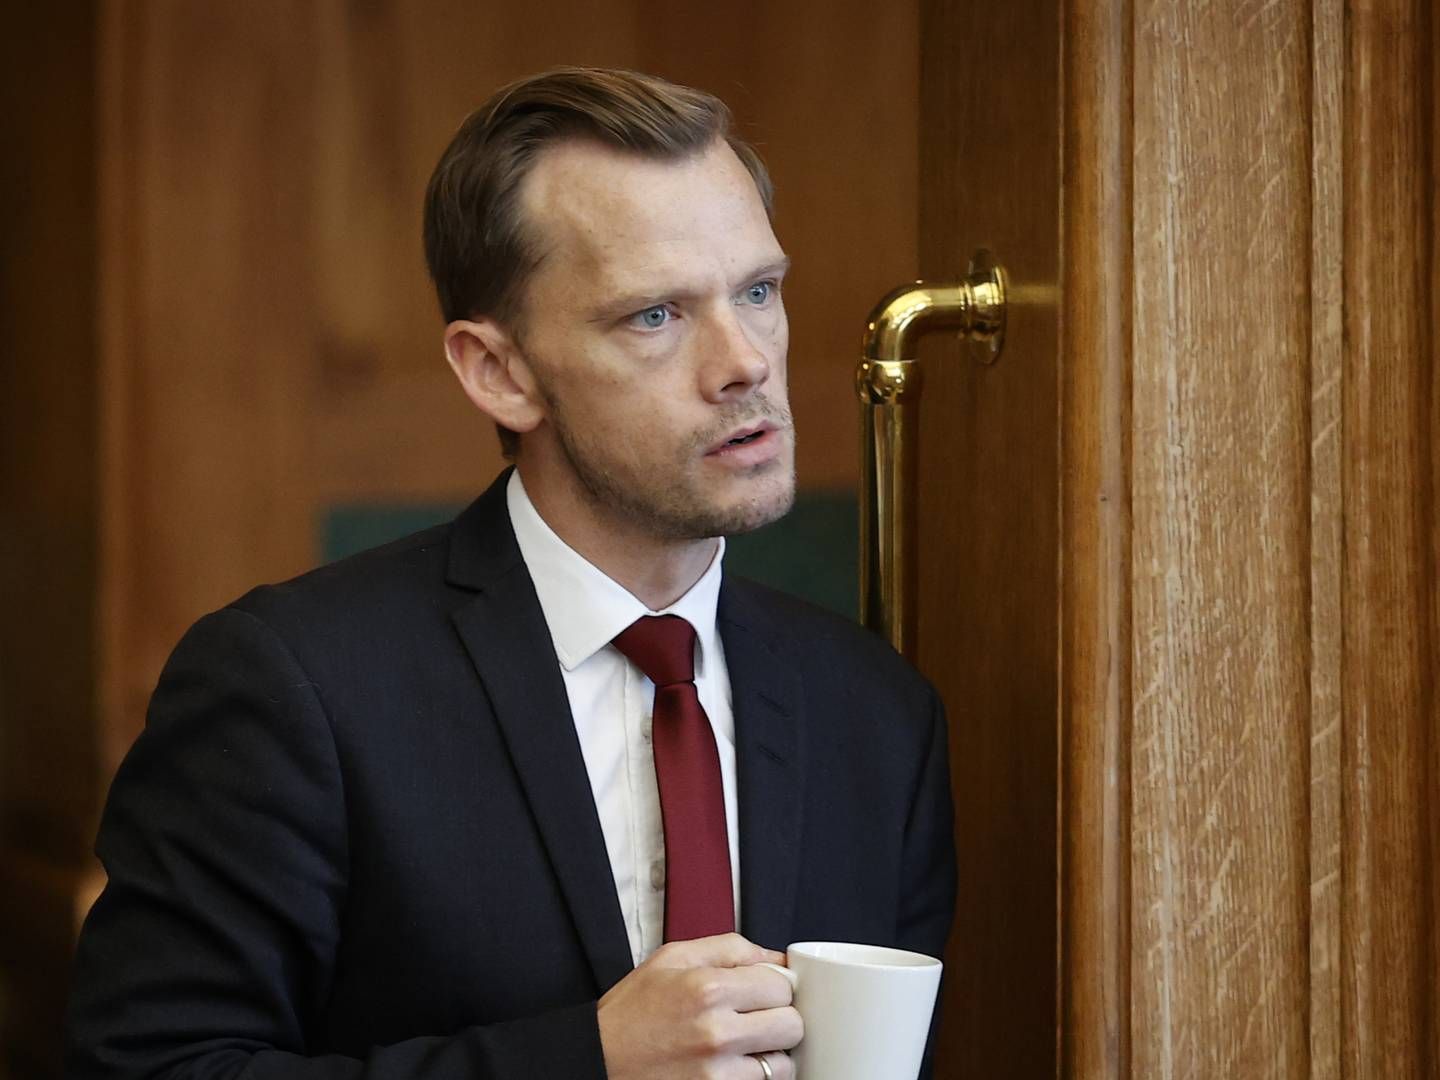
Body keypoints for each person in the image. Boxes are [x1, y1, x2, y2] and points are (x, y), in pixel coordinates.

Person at [66, 67, 956, 1079]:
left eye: (757, 291)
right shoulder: (292, 687)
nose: (744, 360)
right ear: (499, 372)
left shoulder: (878, 717)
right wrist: (585, 1061)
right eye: (655, 316)